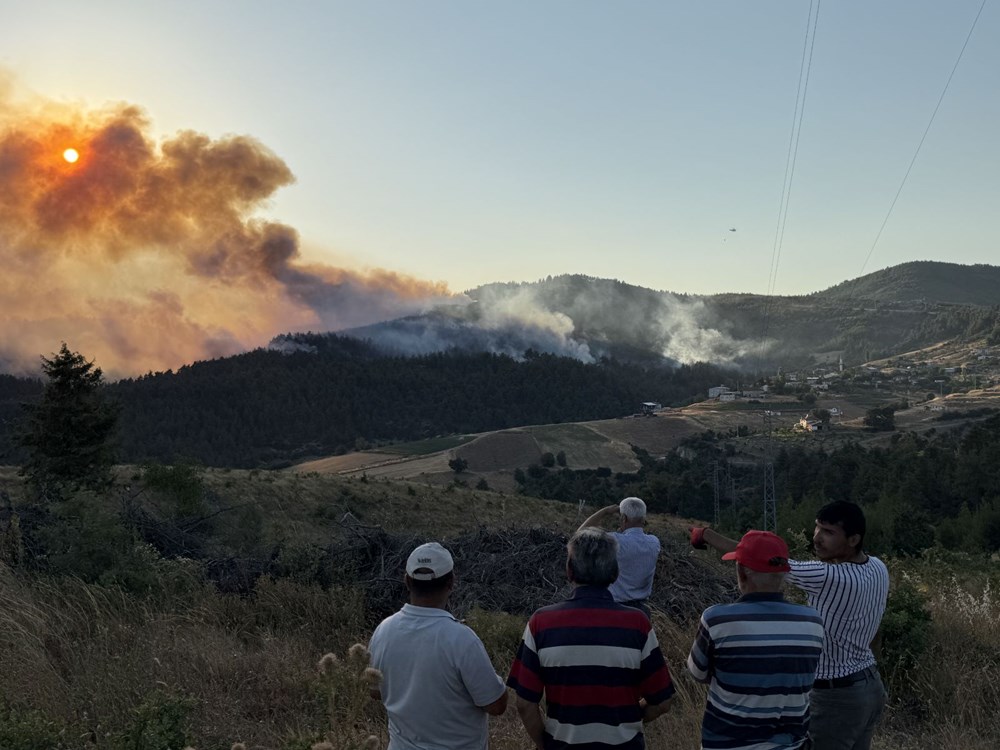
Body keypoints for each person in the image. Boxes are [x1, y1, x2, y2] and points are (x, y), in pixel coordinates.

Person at [691, 501, 889, 750]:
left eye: (828, 532)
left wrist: (705, 534)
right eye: (817, 528)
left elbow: (762, 559)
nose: (816, 538)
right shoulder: (878, 567)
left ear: (853, 540)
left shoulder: (828, 576)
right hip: (869, 686)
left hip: (835, 696)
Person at [507, 527, 674, 750]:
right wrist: (629, 717)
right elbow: (663, 702)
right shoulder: (638, 624)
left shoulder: (541, 622)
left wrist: (545, 744)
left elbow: (525, 703)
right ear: (615, 573)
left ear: (569, 571)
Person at [687, 530, 824, 750]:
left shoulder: (716, 619)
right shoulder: (813, 621)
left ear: (741, 572)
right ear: (783, 575)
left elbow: (697, 673)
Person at [369, 542, 508, 750]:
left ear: (407, 581)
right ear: (451, 583)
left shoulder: (383, 631)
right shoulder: (462, 639)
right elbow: (497, 705)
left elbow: (374, 691)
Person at [578, 497, 660, 616]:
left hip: (614, 609)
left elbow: (580, 535)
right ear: (643, 519)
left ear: (623, 518)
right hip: (641, 612)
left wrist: (605, 511)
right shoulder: (654, 542)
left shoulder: (614, 540)